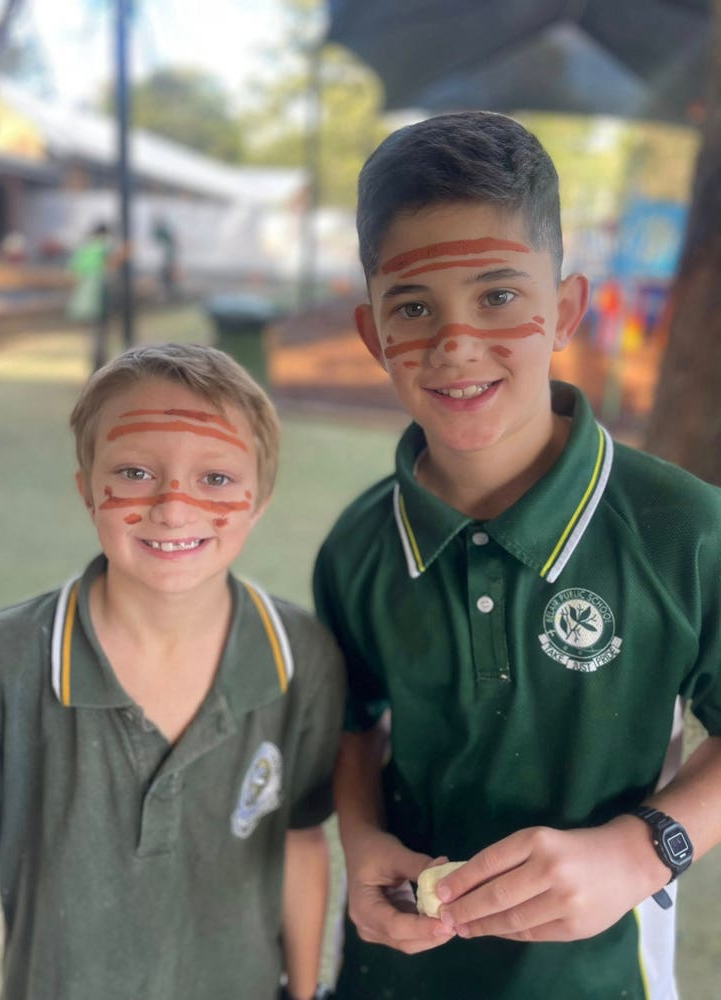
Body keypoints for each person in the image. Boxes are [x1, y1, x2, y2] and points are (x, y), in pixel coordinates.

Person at [313, 111, 721, 999]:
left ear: (566, 310)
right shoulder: (357, 546)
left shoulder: (683, 530)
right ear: (373, 332)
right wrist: (363, 839)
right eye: (414, 307)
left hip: (601, 978)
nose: (457, 343)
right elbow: (352, 722)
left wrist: (645, 848)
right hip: (394, 977)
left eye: (499, 295)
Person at [0, 342, 344, 1000]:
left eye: (217, 479)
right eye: (136, 472)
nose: (174, 507)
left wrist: (305, 994)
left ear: (259, 498)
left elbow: (301, 842)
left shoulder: (301, 656)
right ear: (87, 487)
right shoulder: (1, 663)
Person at [66, 222, 117, 372]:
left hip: (82, 300)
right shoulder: (104, 246)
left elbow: (72, 272)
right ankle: (100, 368)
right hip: (97, 298)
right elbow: (112, 262)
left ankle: (95, 368)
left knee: (92, 338)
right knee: (100, 337)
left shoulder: (84, 248)